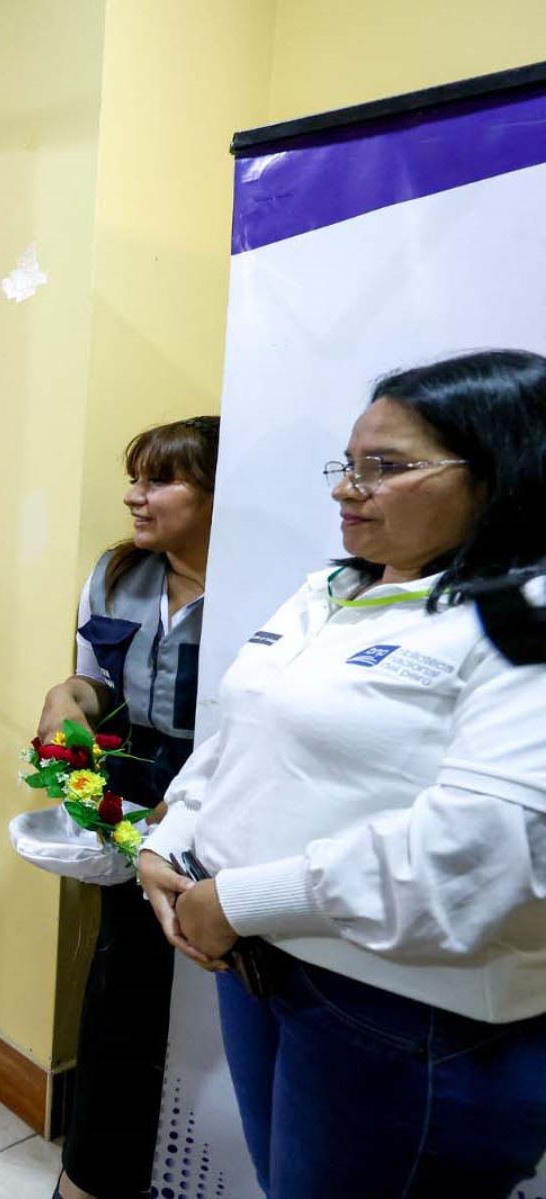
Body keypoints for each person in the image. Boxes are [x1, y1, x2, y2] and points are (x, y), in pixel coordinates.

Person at [140, 350, 546, 1197]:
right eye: (349, 464)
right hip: (261, 968)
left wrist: (234, 899)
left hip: (402, 1015)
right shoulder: (332, 589)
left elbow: (486, 851)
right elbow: (240, 732)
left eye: (385, 468)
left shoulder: (524, 616)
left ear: (504, 469)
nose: (344, 489)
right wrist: (172, 840)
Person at [37, 416, 222, 1199]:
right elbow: (94, 686)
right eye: (134, 477)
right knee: (122, 991)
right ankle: (92, 1178)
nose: (132, 497)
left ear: (221, 493)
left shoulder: (275, 590)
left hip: (223, 794)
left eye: (157, 481)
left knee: (213, 997)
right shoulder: (116, 575)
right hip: (131, 794)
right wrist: (65, 698)